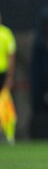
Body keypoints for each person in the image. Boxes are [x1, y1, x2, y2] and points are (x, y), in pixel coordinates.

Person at [0, 12, 17, 144]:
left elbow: (11, 57)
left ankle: (7, 134)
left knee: (4, 104)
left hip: (2, 73)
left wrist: (10, 77)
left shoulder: (6, 33)